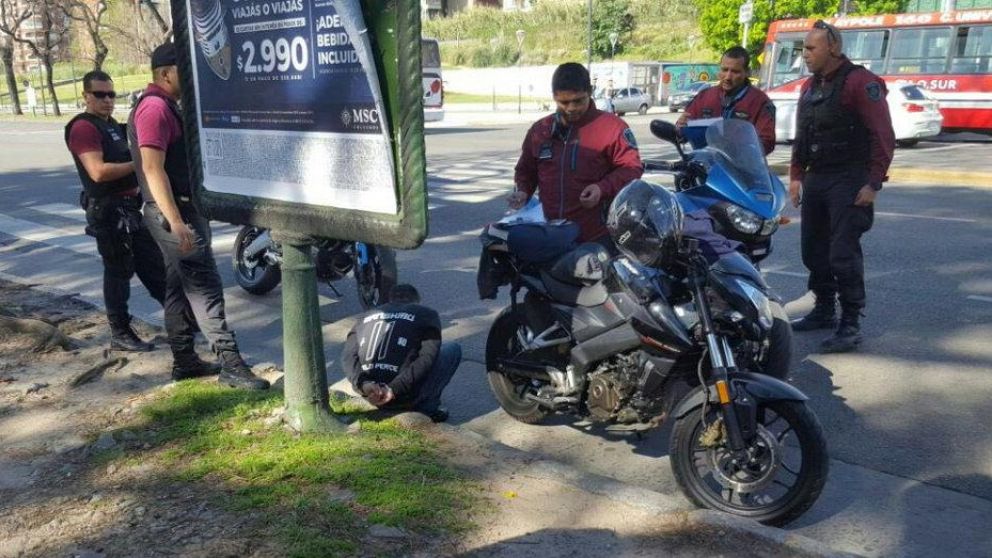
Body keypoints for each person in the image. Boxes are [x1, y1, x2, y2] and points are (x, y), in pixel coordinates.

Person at [128, 42, 269, 389]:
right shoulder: (154, 109)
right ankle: (231, 365)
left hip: (178, 208)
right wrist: (176, 221)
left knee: (178, 287)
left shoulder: (165, 106)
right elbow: (152, 168)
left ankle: (185, 361)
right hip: (172, 212)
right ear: (165, 74)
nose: (192, 76)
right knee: (205, 287)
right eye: (184, 70)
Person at [788, 20, 895, 353]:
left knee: (842, 255)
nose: (805, 54)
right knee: (813, 251)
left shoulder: (860, 82)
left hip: (849, 179)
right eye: (804, 48)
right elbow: (802, 134)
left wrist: (873, 183)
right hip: (817, 178)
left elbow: (882, 136)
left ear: (832, 48)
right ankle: (823, 309)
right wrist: (796, 176)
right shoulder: (809, 87)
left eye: (811, 48)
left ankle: (850, 323)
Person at [64, 70, 167, 353]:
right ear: (86, 96)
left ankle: (183, 323)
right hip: (109, 210)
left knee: (154, 267)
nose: (107, 100)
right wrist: (140, 164)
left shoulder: (113, 125)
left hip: (130, 208)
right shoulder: (84, 127)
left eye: (111, 94)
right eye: (100, 95)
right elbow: (97, 172)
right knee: (118, 272)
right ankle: (120, 332)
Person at [510, 62, 643, 246]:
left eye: (578, 101)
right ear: (554, 97)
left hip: (596, 235)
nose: (571, 108)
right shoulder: (540, 130)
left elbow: (632, 168)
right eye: (564, 102)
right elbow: (526, 170)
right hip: (551, 232)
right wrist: (523, 190)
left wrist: (601, 188)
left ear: (590, 92)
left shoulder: (613, 128)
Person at [342, 284, 460, 423]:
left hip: (370, 392)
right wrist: (393, 389)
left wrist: (363, 384)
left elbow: (348, 357)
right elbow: (427, 358)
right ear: (417, 302)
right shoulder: (426, 314)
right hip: (401, 396)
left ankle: (380, 394)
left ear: (390, 300)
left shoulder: (364, 317)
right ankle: (428, 407)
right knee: (452, 348)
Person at [676, 46, 777, 155]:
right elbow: (681, 133)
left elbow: (767, 142)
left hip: (740, 164)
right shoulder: (704, 97)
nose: (728, 77)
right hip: (706, 163)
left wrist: (739, 148)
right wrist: (680, 128)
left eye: (735, 72)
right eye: (724, 70)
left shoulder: (760, 101)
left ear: (747, 72)